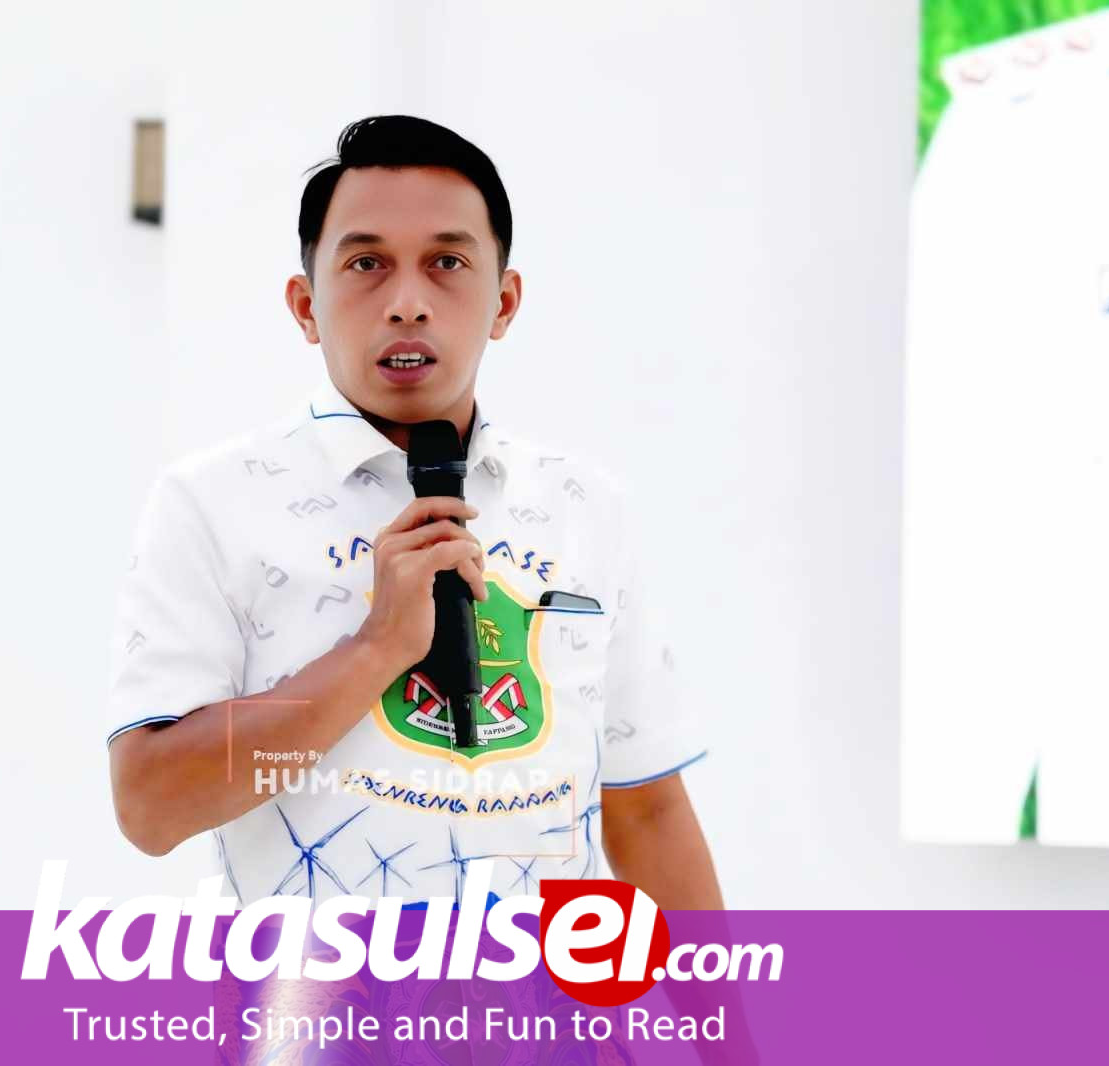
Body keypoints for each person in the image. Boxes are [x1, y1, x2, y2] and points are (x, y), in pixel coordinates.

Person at [106, 114, 721, 912]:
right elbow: (153, 806)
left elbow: (648, 810)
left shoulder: (584, 508)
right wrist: (374, 649)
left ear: (504, 301)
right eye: (366, 263)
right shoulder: (213, 504)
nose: (406, 303)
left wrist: (726, 999)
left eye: (447, 263)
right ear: (305, 305)